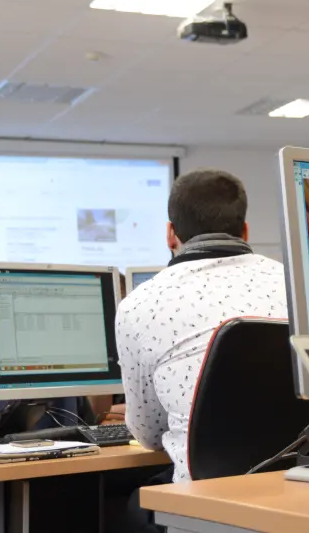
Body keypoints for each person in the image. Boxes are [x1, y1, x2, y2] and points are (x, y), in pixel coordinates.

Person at [115, 169, 288, 483]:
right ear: (245, 231)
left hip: (204, 496)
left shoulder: (139, 303)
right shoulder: (295, 284)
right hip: (303, 482)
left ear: (170, 234)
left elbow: (149, 435)